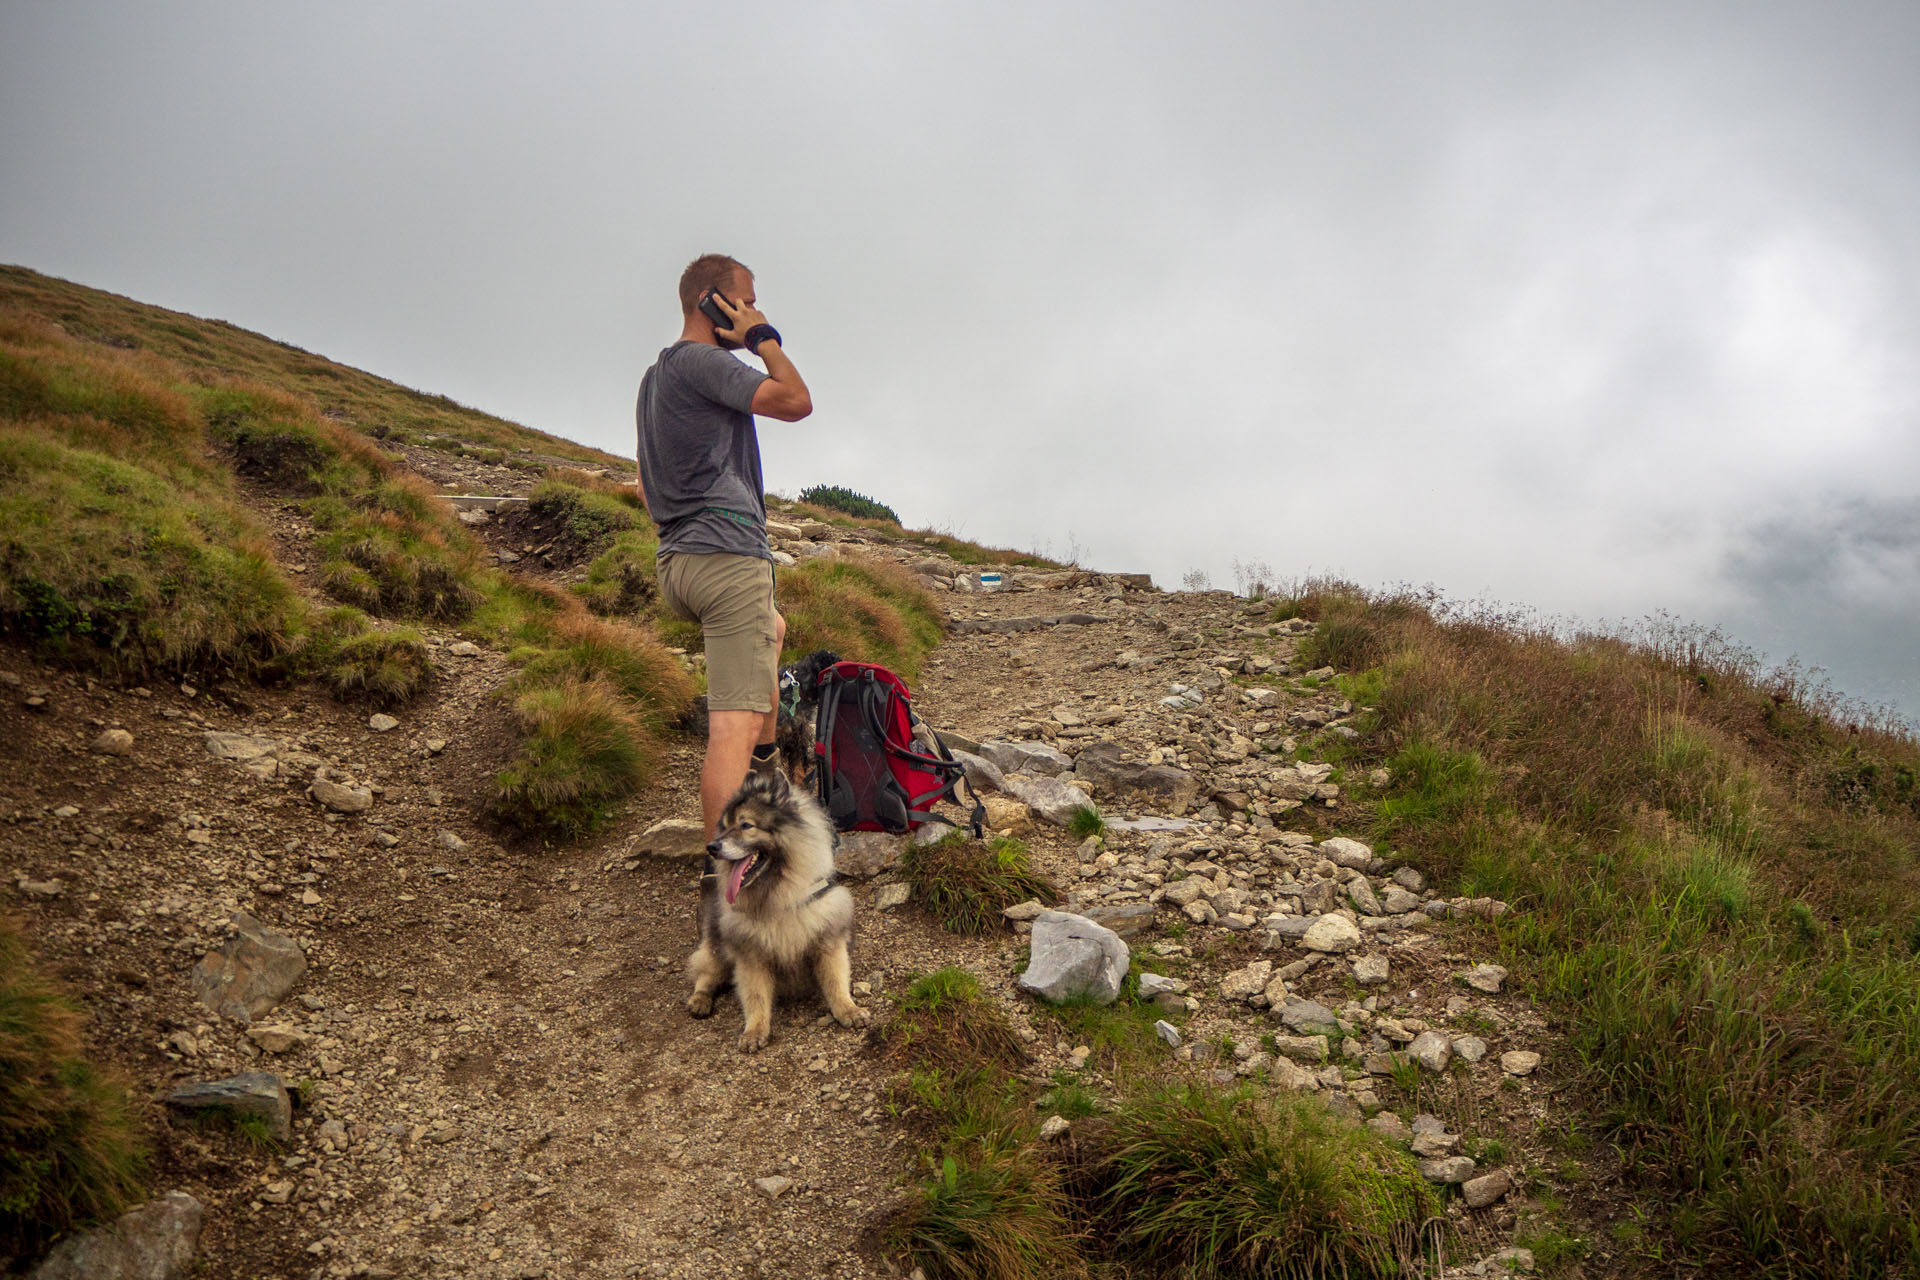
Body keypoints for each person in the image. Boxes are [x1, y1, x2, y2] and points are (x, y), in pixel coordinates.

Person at [635, 253, 813, 839]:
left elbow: (643, 480)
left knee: (774, 629)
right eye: (749, 298)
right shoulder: (705, 362)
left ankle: (767, 773)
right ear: (717, 302)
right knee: (730, 727)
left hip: (677, 561)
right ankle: (725, 878)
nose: (757, 309)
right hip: (725, 555)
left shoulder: (656, 377)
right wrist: (762, 338)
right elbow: (795, 401)